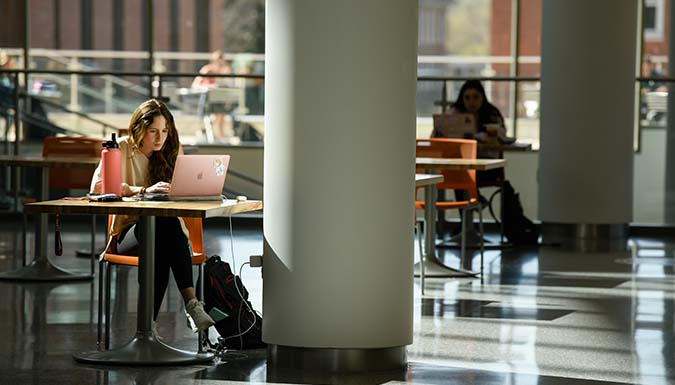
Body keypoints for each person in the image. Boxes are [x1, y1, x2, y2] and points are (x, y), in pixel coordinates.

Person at [89, 98, 215, 332]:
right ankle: (191, 303)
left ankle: (147, 330)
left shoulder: (171, 150)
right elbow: (97, 186)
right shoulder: (122, 147)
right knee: (158, 226)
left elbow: (184, 189)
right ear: (139, 129)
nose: (161, 138)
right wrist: (142, 191)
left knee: (160, 231)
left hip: (166, 233)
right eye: (153, 131)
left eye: (165, 131)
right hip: (128, 234)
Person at [192, 51, 236, 141]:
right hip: (207, 99)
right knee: (217, 114)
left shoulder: (225, 70)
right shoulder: (207, 69)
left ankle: (220, 135)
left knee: (221, 113)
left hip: (220, 99)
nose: (219, 63)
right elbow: (195, 84)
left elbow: (230, 85)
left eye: (221, 61)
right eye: (217, 61)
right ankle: (215, 134)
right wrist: (208, 86)